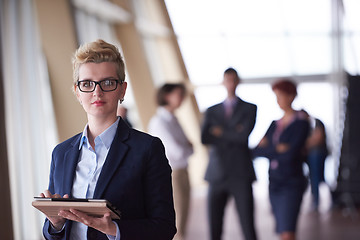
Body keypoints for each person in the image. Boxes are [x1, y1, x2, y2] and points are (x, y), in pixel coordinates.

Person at [39, 39, 176, 240]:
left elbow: (164, 227)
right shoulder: (61, 153)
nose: (97, 92)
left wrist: (114, 230)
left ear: (122, 89)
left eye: (108, 82)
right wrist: (56, 224)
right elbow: (53, 233)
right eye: (87, 84)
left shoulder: (147, 149)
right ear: (77, 92)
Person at [201, 67, 257, 240]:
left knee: (248, 227)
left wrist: (220, 132)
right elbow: (205, 138)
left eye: (233, 80)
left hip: (240, 173)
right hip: (216, 173)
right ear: (223, 82)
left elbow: (243, 137)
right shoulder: (211, 110)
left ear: (238, 82)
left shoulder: (250, 108)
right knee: (214, 228)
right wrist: (233, 131)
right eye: (227, 80)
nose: (231, 84)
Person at [252, 79, 309, 240]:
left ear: (291, 96)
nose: (278, 100)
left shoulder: (301, 123)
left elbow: (291, 154)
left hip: (291, 181)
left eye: (281, 96)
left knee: (287, 231)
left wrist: (269, 148)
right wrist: (278, 149)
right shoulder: (274, 124)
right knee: (281, 229)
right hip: (274, 182)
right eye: (276, 96)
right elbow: (256, 151)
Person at [148, 83, 193, 240]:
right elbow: (178, 151)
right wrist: (187, 147)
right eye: (178, 94)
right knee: (177, 218)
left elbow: (190, 147)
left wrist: (187, 147)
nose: (182, 98)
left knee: (184, 215)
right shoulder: (159, 122)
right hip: (173, 172)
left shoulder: (173, 119)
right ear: (167, 96)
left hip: (182, 170)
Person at [306, 117, 328, 211]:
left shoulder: (316, 122)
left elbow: (318, 138)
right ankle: (315, 200)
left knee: (317, 178)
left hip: (317, 153)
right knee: (315, 178)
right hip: (312, 153)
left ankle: (316, 201)